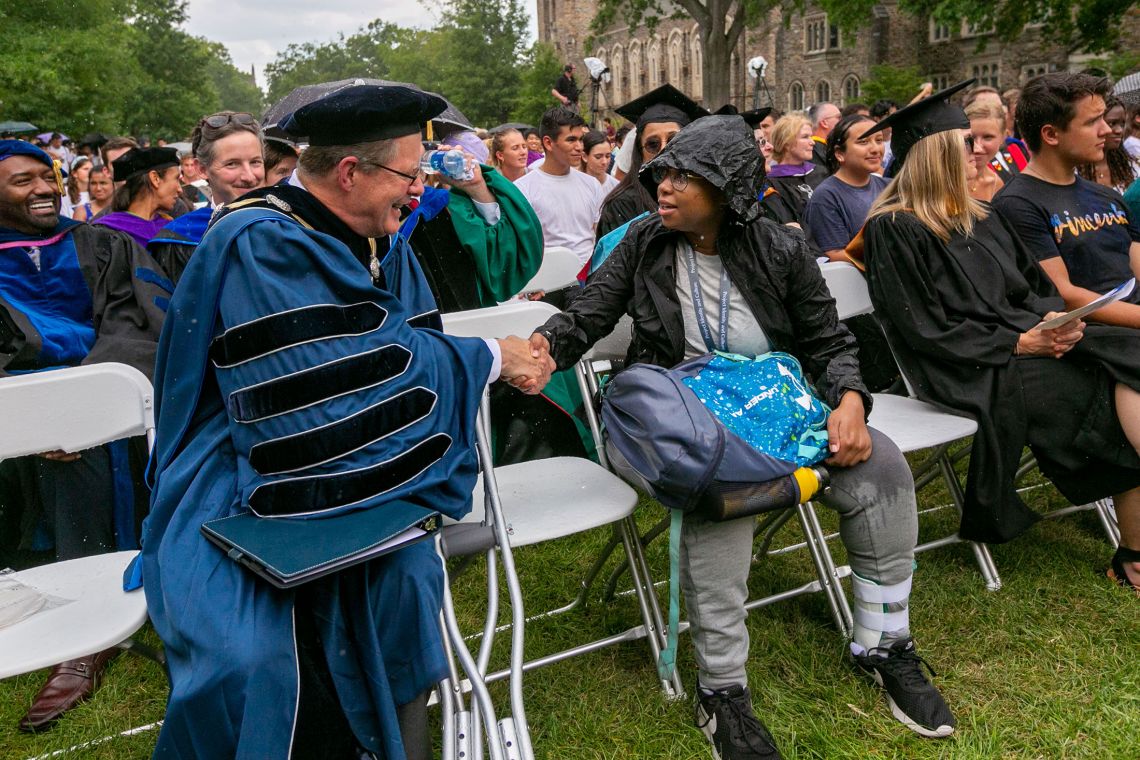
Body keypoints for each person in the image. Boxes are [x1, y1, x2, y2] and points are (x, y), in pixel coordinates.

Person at [140, 84, 556, 759]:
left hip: (362, 473)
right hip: (249, 478)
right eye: (409, 172)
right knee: (246, 654)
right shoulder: (259, 241)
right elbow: (325, 386)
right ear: (349, 172)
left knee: (405, 584)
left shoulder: (376, 237)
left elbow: (397, 349)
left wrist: (480, 357)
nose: (419, 190)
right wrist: (489, 356)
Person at [532, 114, 955, 759]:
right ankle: (722, 690)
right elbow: (585, 318)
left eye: (683, 178)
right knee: (724, 498)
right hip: (678, 421)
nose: (664, 189)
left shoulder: (780, 249)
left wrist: (848, 400)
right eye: (660, 176)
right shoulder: (643, 242)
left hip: (776, 407)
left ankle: (883, 642)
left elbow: (828, 341)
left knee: (880, 470)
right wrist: (540, 351)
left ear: (727, 189)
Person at [861, 80, 1140, 591]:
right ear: (936, 155)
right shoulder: (895, 228)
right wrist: (1018, 343)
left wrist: (1051, 324)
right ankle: (1133, 548)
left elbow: (1034, 289)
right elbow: (922, 328)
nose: (981, 150)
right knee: (1096, 385)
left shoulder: (981, 216)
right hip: (965, 365)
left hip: (1024, 344)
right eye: (966, 143)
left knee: (1127, 350)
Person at [0, 139, 168, 733]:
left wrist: (85, 405)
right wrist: (39, 416)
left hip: (115, 401)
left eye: (45, 178)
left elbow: (138, 320)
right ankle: (80, 637)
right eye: (23, 182)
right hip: (27, 432)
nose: (44, 189)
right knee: (67, 473)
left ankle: (165, 598)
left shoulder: (104, 244)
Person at [993, 73, 1140, 328]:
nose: (1106, 130)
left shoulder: (1108, 197)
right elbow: (1065, 295)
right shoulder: (1017, 204)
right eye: (1092, 121)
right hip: (1097, 341)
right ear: (1051, 134)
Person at [147, 112, 265, 285]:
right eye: (232, 164)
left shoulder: (288, 226)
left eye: (255, 162)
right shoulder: (181, 239)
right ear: (201, 169)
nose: (249, 176)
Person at [596, 84, 708, 240]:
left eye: (673, 140)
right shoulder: (622, 204)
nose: (664, 150)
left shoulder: (705, 193)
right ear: (640, 153)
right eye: (653, 144)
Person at [513, 107, 604, 267]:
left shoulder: (592, 184)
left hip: (591, 280)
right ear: (548, 143)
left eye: (581, 139)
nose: (579, 147)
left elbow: (597, 233)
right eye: (571, 140)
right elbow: (520, 245)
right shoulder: (522, 189)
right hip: (548, 283)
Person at [802, 114, 888, 260]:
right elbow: (836, 255)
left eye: (879, 140)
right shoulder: (826, 197)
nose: (875, 149)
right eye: (863, 142)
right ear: (840, 153)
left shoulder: (889, 187)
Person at [92, 147, 182, 248]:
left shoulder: (169, 226)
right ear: (155, 179)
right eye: (176, 179)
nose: (180, 189)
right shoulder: (106, 231)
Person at [763, 113, 827, 225]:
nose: (812, 142)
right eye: (805, 137)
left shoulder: (822, 172)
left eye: (811, 136)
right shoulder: (772, 183)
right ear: (786, 142)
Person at [1077, 97, 1139, 194]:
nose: (1119, 130)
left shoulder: (1129, 166)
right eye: (1112, 123)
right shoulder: (1075, 171)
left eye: (1122, 124)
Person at [965, 101, 1009, 201]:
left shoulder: (999, 184)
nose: (977, 147)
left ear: (1003, 137)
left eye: (987, 137)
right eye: (970, 138)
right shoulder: (944, 181)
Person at [581, 129, 619, 195]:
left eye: (608, 156)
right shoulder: (573, 185)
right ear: (584, 156)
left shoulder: (616, 188)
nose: (604, 162)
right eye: (598, 157)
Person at [807, 102, 841, 170]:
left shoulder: (828, 146)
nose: (842, 121)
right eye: (838, 117)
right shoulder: (812, 150)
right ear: (824, 123)